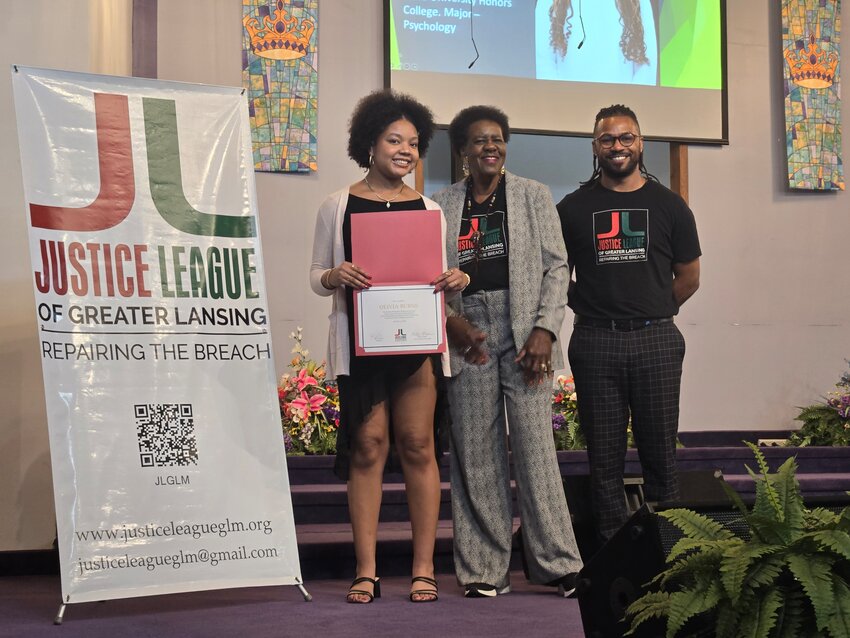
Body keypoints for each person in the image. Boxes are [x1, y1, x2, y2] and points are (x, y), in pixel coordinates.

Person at [309, 90, 469, 603]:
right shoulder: (337, 204)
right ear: (370, 143)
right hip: (362, 345)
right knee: (369, 447)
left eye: (414, 143)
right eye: (394, 140)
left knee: (419, 445)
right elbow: (316, 276)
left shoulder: (429, 208)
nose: (405, 150)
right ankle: (367, 568)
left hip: (417, 342)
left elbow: (437, 274)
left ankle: (424, 567)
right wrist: (335, 274)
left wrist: (455, 278)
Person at [432, 105, 583, 598]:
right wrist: (452, 321)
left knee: (537, 449)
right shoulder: (441, 205)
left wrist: (545, 329)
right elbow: (429, 274)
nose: (490, 147)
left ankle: (559, 563)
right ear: (462, 151)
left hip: (526, 336)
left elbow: (557, 268)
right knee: (475, 453)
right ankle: (482, 571)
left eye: (497, 139)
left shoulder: (533, 195)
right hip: (467, 333)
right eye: (478, 140)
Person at [557, 104, 701, 542]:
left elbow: (689, 278)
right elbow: (557, 276)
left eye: (626, 138)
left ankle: (669, 556)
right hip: (595, 342)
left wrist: (650, 310)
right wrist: (599, 309)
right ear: (595, 146)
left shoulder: (670, 206)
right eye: (607, 139)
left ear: (640, 142)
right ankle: (612, 563)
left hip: (657, 339)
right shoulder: (573, 208)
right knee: (604, 460)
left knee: (661, 455)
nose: (617, 146)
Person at [535, 0, 658, 85]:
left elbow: (646, 65)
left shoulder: (638, 2)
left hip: (621, 114)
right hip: (565, 109)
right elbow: (545, 63)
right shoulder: (548, 2)